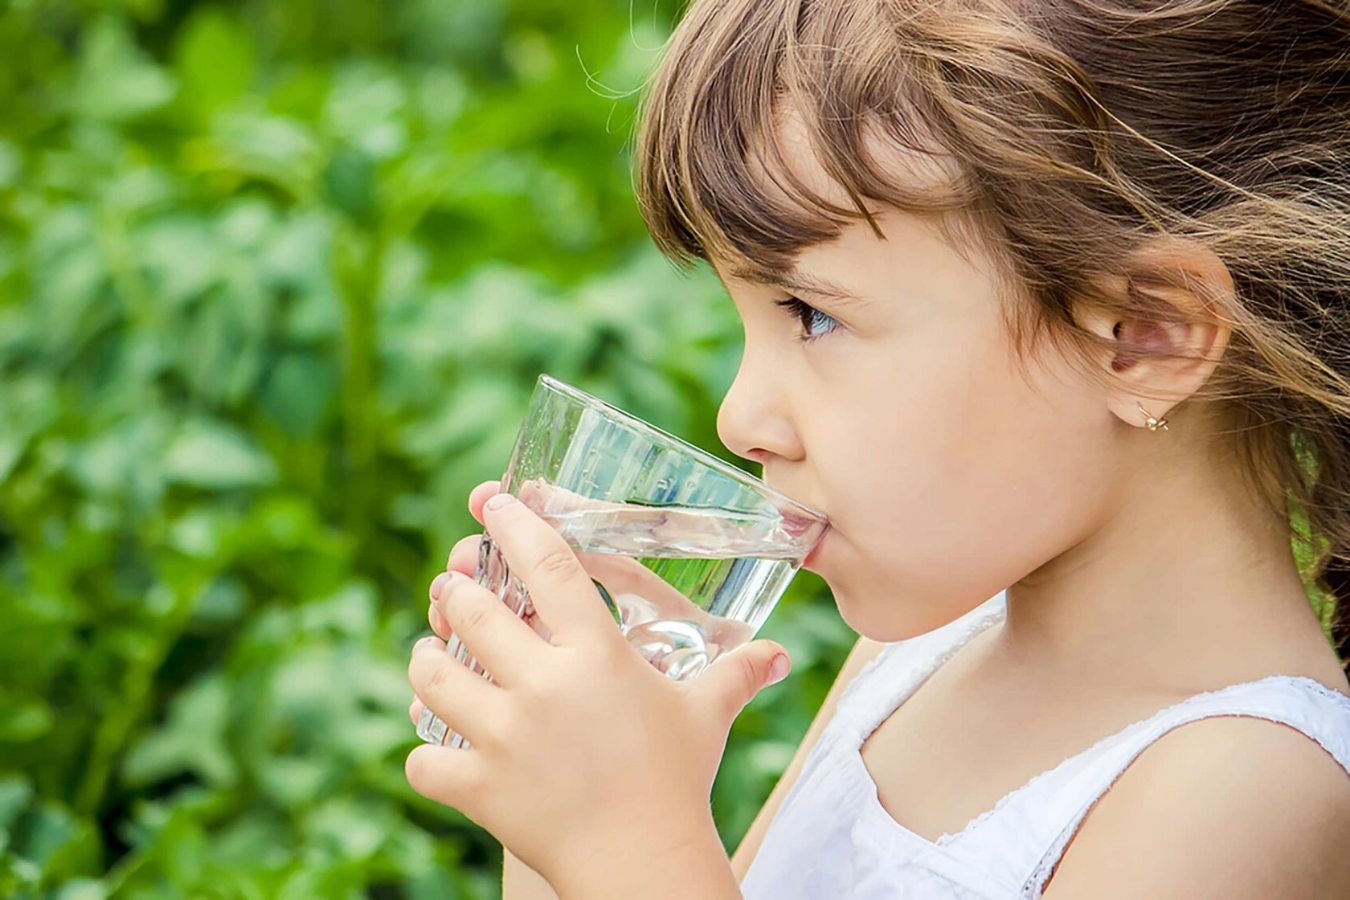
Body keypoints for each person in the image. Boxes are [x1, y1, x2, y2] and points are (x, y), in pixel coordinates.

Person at [405, 0, 1350, 896]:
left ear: (1144, 335)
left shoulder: (1250, 785)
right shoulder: (918, 661)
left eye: (811, 315)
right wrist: (563, 810)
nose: (739, 419)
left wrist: (626, 841)